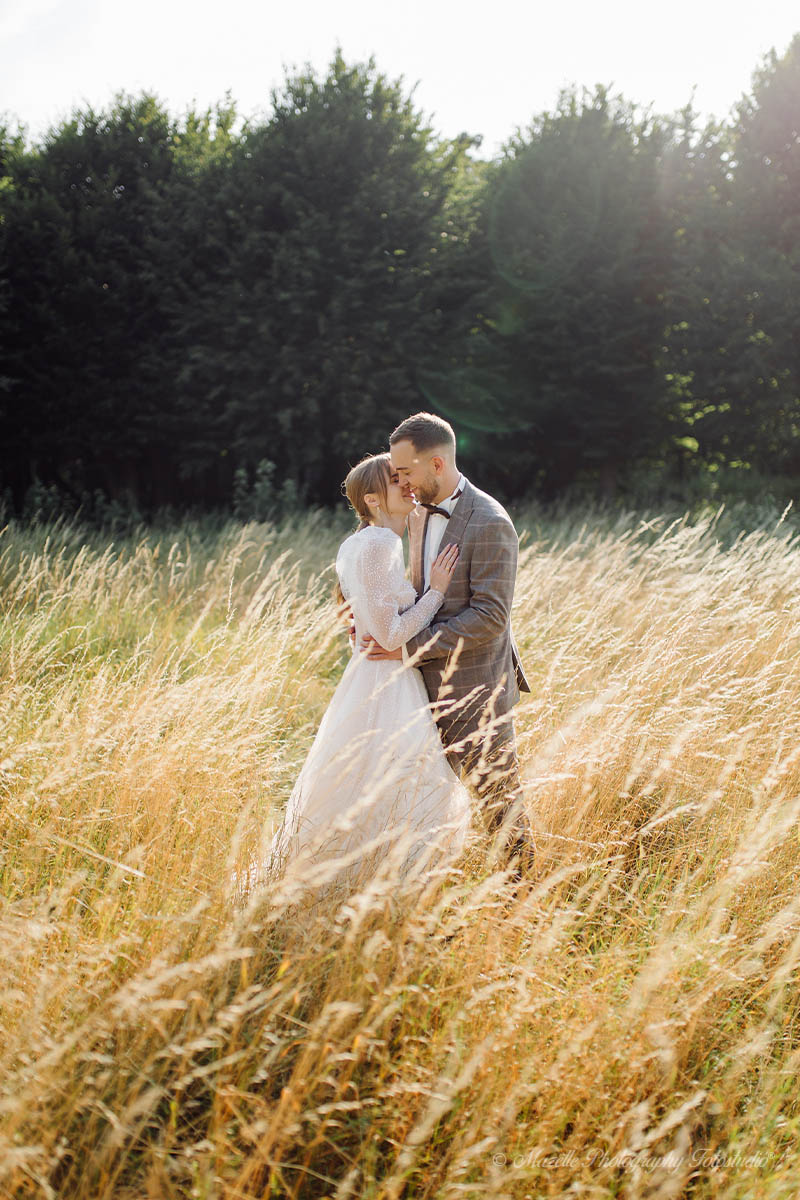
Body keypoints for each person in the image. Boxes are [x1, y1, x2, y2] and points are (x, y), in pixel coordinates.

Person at [258, 452, 473, 898]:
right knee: (395, 777)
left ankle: (362, 880)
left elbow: (366, 621)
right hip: (386, 684)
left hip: (371, 677)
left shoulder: (359, 543)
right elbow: (392, 635)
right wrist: (435, 591)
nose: (408, 486)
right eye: (397, 482)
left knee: (364, 779)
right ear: (374, 499)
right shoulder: (378, 545)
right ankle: (382, 885)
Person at [362, 412, 535, 873]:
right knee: (426, 804)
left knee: (500, 805)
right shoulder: (416, 512)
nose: (401, 482)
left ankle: (519, 900)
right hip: (418, 691)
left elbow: (491, 617)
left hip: (477, 689)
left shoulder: (491, 521)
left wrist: (409, 647)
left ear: (436, 464)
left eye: (406, 472)